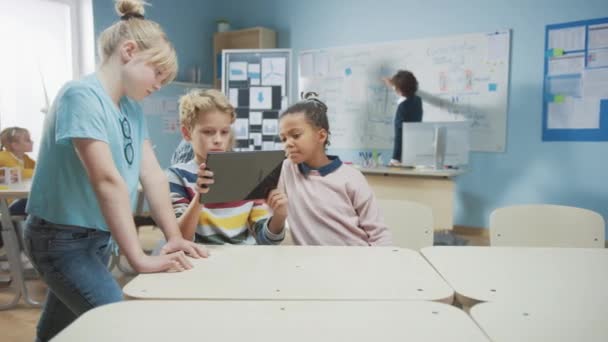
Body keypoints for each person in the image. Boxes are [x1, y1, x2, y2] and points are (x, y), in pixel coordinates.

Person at [23, 1, 207, 340]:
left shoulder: (131, 111)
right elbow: (106, 181)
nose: (160, 85)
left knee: (57, 331)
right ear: (128, 51)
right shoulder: (81, 96)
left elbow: (152, 175)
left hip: (95, 240)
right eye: (158, 73)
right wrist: (139, 259)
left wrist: (175, 237)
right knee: (120, 328)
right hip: (60, 240)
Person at [167, 89, 287, 244]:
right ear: (187, 133)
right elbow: (181, 238)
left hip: (242, 260)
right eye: (208, 132)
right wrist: (200, 197)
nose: (218, 140)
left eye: (224, 132)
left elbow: (266, 239)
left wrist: (280, 216)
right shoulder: (177, 176)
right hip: (201, 260)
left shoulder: (248, 173)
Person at [276, 93, 392, 246]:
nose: (288, 144)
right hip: (313, 265)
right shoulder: (286, 170)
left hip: (358, 261)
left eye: (296, 135)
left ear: (321, 136)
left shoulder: (351, 177)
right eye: (283, 139)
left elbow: (379, 234)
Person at [382, 70, 423, 166]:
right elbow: (404, 92)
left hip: (402, 159)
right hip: (415, 155)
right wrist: (393, 85)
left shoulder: (402, 108)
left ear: (399, 89)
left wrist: (395, 158)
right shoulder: (417, 101)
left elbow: (399, 134)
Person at [0, 126, 35, 214]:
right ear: (15, 145)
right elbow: (20, 173)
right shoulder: (4, 157)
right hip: (8, 204)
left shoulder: (25, 158)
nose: (32, 142)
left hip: (18, 199)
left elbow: (39, 168)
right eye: (27, 140)